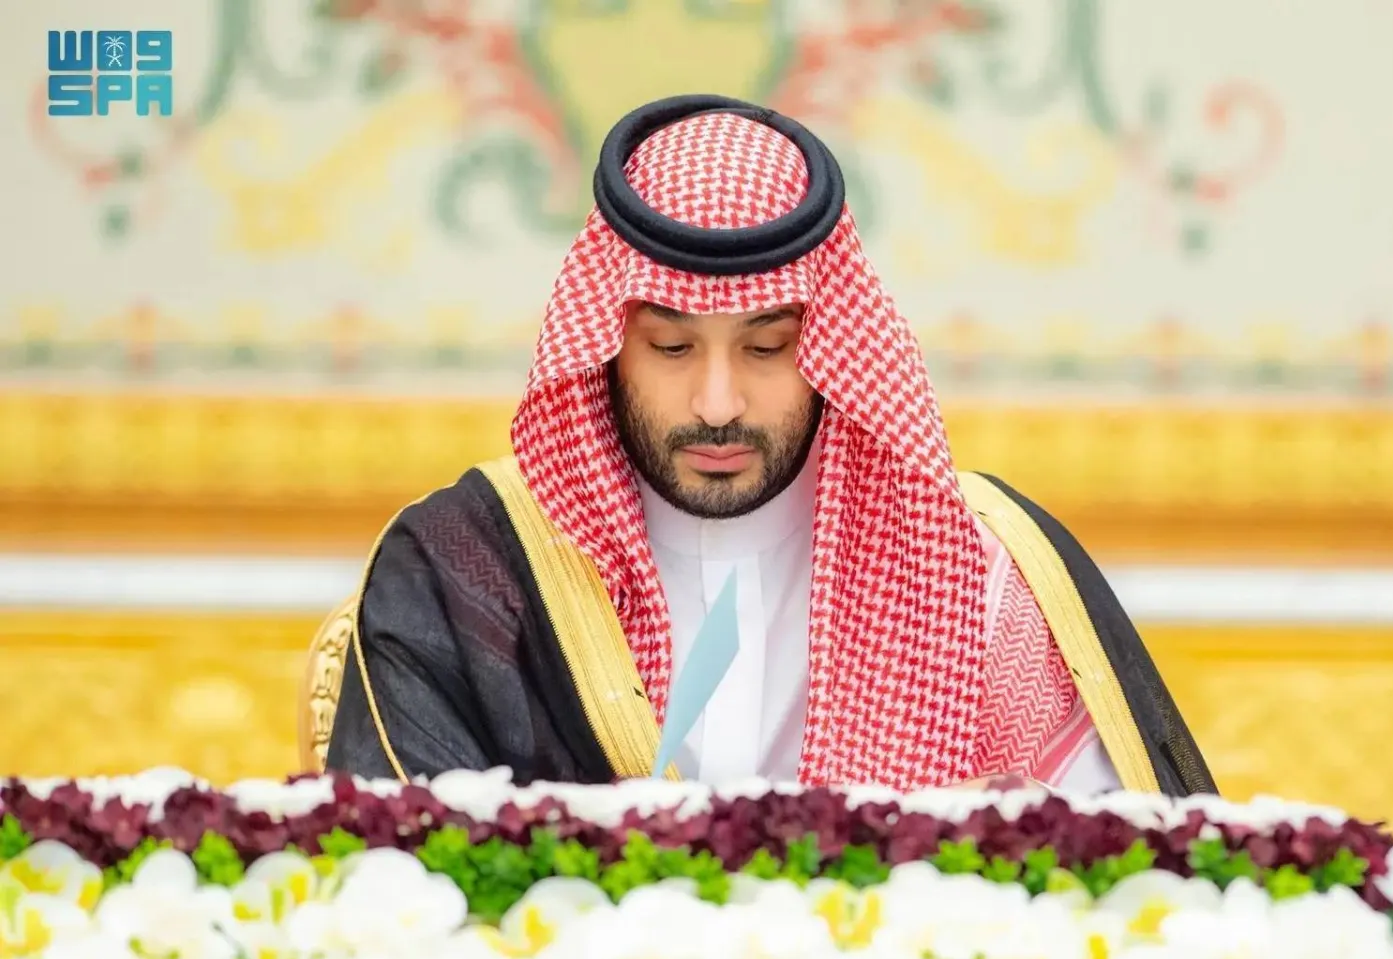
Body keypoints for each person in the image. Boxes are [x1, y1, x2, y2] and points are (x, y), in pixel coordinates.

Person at [325, 95, 1216, 797]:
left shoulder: (981, 568)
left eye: (768, 347)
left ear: (831, 343)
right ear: (607, 345)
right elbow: (403, 897)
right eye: (671, 348)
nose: (718, 404)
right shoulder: (468, 568)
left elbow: (1114, 879)